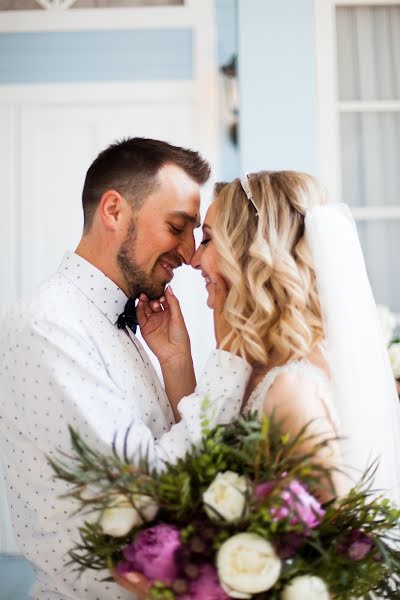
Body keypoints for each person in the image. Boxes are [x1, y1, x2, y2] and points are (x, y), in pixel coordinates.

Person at [117, 169, 400, 598]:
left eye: (208, 239)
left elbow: (340, 567)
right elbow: (210, 451)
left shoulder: (293, 390)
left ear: (250, 252)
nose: (193, 260)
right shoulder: (255, 361)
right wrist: (176, 360)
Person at [0, 138, 252, 600]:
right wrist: (232, 362)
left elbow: (182, 463)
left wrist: (176, 364)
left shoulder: (115, 319)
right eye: (177, 226)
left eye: (196, 233)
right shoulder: (48, 325)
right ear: (114, 211)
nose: (190, 252)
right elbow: (150, 483)